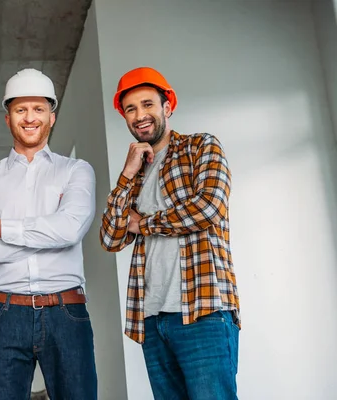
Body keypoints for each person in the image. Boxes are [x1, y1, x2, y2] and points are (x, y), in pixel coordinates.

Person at [100, 67, 241, 399]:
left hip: (202, 310)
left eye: (147, 104)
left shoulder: (200, 147)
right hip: (152, 319)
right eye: (130, 109)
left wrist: (143, 224)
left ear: (167, 106)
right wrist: (126, 174)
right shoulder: (137, 173)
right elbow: (110, 238)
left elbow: (208, 208)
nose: (139, 115)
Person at [0, 68, 98, 400]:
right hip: (4, 313)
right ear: (8, 118)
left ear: (52, 117)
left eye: (38, 109)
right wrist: (50, 236)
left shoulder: (76, 170)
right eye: (20, 110)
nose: (29, 118)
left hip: (66, 312)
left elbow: (70, 229)